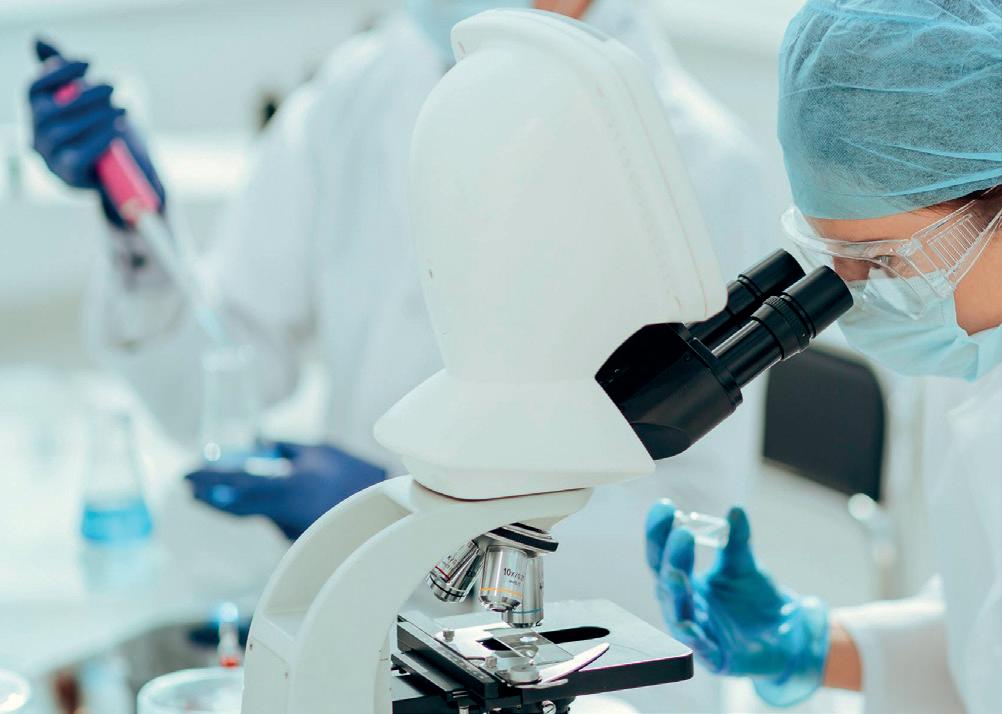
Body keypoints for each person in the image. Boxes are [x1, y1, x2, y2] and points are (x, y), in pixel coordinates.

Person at [29, 0, 770, 544]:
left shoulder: (696, 165)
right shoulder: (361, 89)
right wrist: (141, 233)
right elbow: (221, 378)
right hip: (364, 631)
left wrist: (408, 515)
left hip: (584, 664)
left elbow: (685, 522)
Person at [646, 1, 1002, 712]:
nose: (857, 300)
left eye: (886, 262)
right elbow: (982, 635)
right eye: (835, 260)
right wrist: (809, 645)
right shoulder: (972, 361)